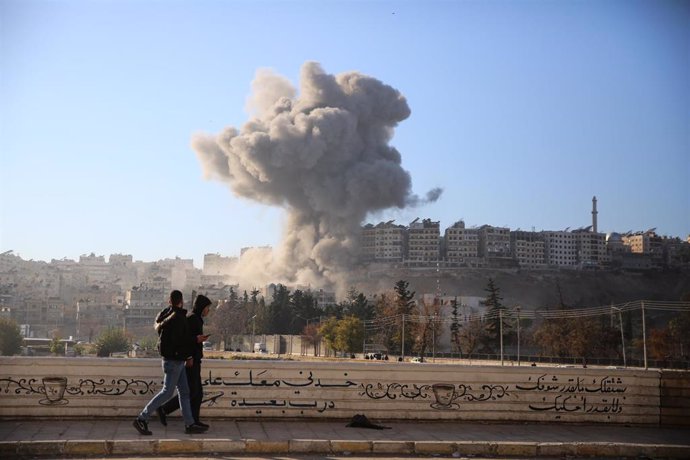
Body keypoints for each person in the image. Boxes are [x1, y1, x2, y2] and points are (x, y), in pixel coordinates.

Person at [133, 290, 207, 435]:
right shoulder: (178, 318)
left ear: (169, 301)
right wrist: (196, 340)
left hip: (173, 360)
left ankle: (190, 424)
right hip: (174, 361)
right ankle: (142, 418)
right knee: (167, 393)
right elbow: (181, 341)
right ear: (181, 301)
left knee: (185, 392)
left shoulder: (165, 314)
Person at [158, 294, 212, 428]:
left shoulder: (197, 319)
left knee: (197, 393)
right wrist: (189, 356)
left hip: (195, 359)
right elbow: (185, 340)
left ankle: (194, 421)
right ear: (201, 307)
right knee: (191, 391)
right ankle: (165, 409)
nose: (208, 311)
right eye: (207, 308)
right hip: (191, 361)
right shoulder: (193, 319)